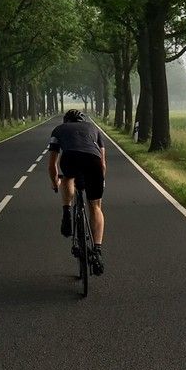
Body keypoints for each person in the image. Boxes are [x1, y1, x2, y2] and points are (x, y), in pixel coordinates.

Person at [47, 108, 106, 274]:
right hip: (93, 161)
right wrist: (100, 181)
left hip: (70, 158)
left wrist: (54, 183)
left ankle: (66, 212)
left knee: (67, 177)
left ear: (66, 121)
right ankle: (97, 250)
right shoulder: (94, 129)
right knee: (95, 207)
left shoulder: (59, 130)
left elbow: (52, 164)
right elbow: (102, 163)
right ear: (83, 120)